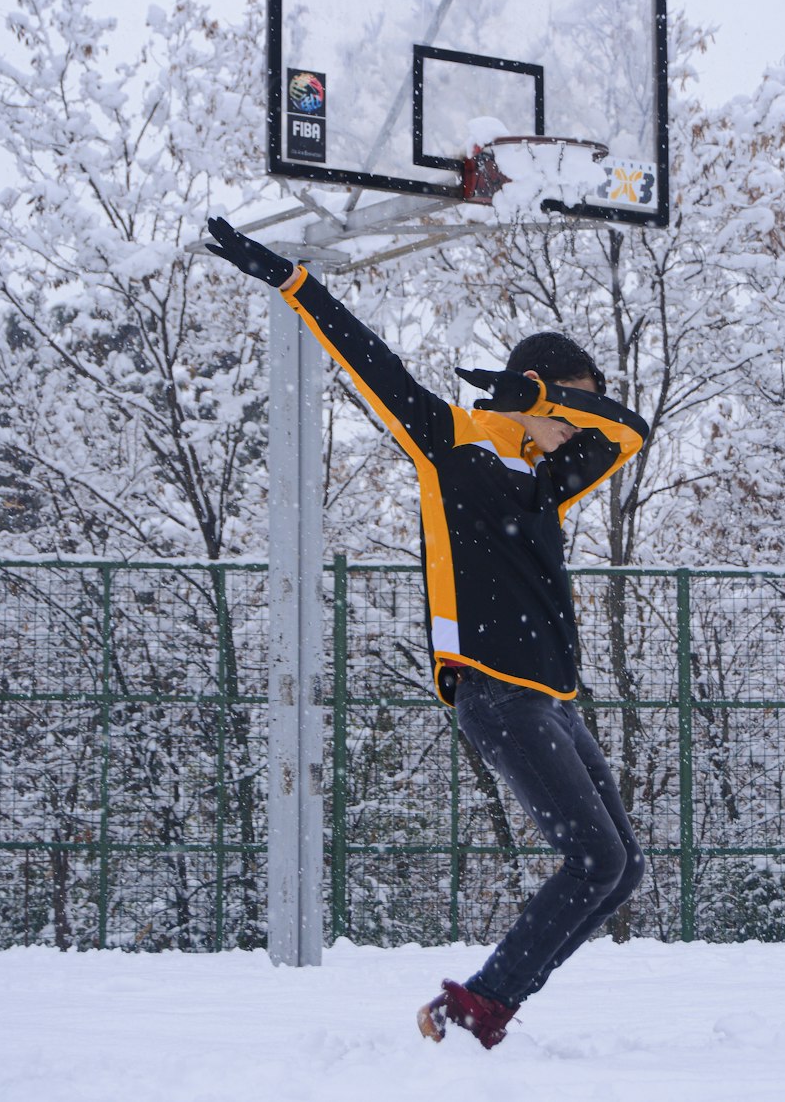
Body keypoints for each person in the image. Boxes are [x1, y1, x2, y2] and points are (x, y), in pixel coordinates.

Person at [206, 216, 650, 1049]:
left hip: (552, 701)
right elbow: (365, 357)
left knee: (621, 866)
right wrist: (290, 280)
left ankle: (490, 1002)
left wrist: (555, 409)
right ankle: (478, 1005)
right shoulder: (451, 443)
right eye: (571, 404)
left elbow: (633, 430)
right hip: (493, 690)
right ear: (534, 389)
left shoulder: (551, 476)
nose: (582, 425)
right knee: (594, 860)